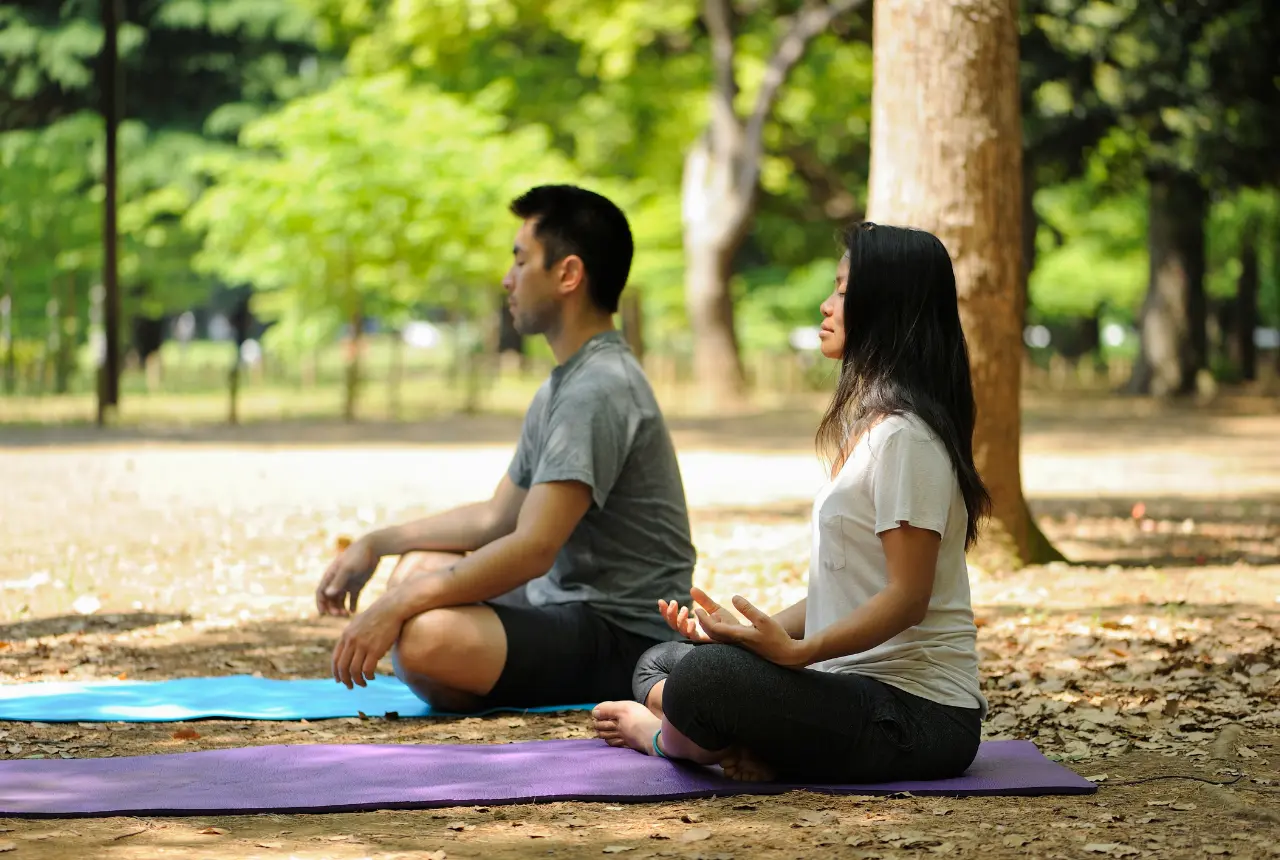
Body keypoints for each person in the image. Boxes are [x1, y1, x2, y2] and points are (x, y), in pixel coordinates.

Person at [592, 221, 991, 783]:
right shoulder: (874, 431)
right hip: (847, 690)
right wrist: (752, 636)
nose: (826, 307)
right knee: (660, 662)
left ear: (889, 306)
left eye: (844, 292)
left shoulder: (908, 438)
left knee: (704, 681)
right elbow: (849, 588)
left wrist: (795, 655)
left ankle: (671, 740)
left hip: (917, 719)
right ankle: (748, 741)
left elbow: (907, 599)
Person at [316, 185, 697, 713]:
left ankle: (465, 675)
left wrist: (398, 605)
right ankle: (466, 674)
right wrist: (379, 543)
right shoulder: (567, 382)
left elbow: (533, 548)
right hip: (567, 608)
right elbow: (499, 516)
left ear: (567, 274)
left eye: (520, 261)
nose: (507, 279)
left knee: (426, 634)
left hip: (625, 636)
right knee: (417, 569)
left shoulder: (599, 386)